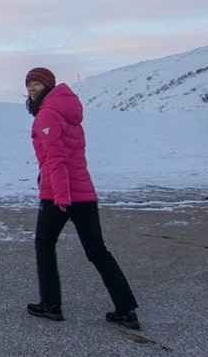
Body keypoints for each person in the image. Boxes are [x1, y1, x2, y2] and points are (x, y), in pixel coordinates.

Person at [24, 66, 142, 328]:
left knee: (44, 245)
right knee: (98, 251)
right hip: (85, 194)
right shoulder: (70, 115)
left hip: (59, 195)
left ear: (49, 86)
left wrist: (61, 197)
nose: (32, 88)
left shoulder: (47, 116)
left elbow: (56, 158)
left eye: (37, 84)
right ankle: (126, 309)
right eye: (29, 84)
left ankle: (51, 304)